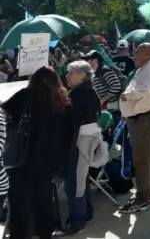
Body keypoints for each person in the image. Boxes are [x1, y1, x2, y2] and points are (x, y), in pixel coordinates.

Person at [2, 66, 74, 239]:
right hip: (48, 162)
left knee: (20, 204)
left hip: (22, 159)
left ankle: (21, 234)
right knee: (43, 201)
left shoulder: (25, 97)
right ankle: (44, 234)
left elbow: (4, 108)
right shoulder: (64, 101)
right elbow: (68, 135)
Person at [54, 61, 104, 236]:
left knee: (74, 184)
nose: (66, 76)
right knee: (81, 180)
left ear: (83, 75)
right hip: (84, 141)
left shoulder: (81, 93)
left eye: (70, 73)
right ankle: (86, 215)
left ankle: (76, 223)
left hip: (79, 142)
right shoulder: (86, 91)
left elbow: (72, 119)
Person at [118, 43, 150, 214]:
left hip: (143, 119)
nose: (134, 56)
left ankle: (142, 199)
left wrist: (126, 95)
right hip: (144, 118)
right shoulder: (149, 67)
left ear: (145, 53)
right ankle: (149, 193)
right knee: (147, 158)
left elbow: (145, 88)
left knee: (141, 161)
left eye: (136, 53)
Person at [83, 50, 123, 117]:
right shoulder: (94, 73)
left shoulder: (105, 71)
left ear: (95, 61)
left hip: (113, 109)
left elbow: (116, 86)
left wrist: (102, 100)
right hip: (106, 109)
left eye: (87, 60)